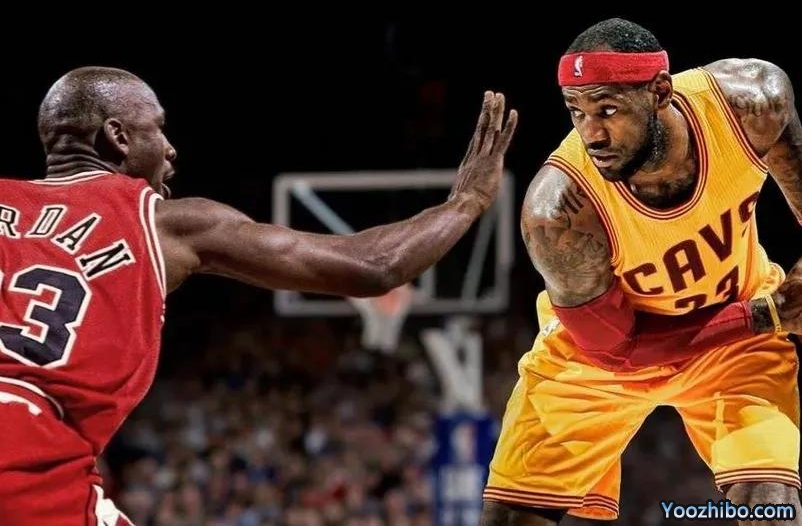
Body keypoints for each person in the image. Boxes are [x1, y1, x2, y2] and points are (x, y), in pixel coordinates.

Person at [0, 66, 517, 525]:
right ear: (117, 136)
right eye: (158, 128)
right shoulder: (166, 223)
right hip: (30, 459)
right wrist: (466, 201)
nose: (171, 148)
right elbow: (375, 266)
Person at [481, 17, 802, 525]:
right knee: (510, 518)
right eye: (576, 112)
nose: (592, 133)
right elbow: (619, 350)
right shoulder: (557, 211)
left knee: (770, 505)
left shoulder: (749, 106)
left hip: (734, 340)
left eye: (607, 109)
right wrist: (766, 315)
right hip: (603, 361)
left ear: (660, 92)